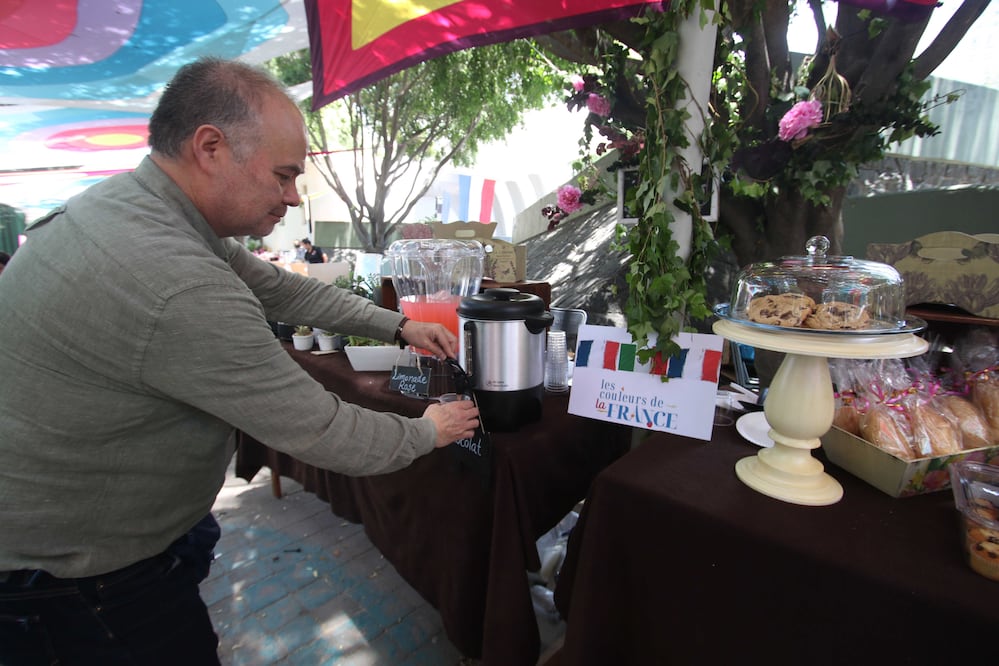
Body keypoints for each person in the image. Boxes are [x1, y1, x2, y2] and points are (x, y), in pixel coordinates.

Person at [0, 57, 479, 665]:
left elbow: (284, 290)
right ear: (210, 147)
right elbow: (324, 429)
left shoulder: (142, 207)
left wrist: (399, 324)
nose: (292, 197)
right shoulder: (175, 278)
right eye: (282, 175)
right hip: (81, 584)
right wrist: (428, 430)